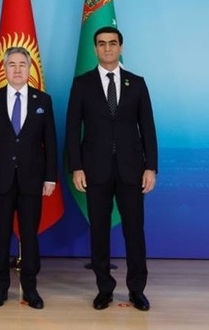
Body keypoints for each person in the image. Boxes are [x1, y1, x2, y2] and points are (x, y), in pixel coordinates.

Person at [65, 26, 158, 312]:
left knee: (134, 231)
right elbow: (72, 129)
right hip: (95, 169)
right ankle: (104, 289)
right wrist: (76, 167)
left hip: (132, 170)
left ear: (121, 47)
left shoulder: (137, 83)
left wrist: (151, 168)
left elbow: (148, 128)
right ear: (95, 48)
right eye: (102, 44)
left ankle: (137, 290)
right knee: (99, 231)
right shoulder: (82, 84)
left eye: (112, 43)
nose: (107, 48)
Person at [0, 47, 57, 310]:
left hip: (32, 179)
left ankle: (30, 289)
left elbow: (50, 142)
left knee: (29, 236)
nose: (18, 69)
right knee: (0, 236)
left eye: (23, 64)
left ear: (30, 68)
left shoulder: (43, 100)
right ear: (5, 68)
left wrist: (50, 178)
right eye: (12, 64)